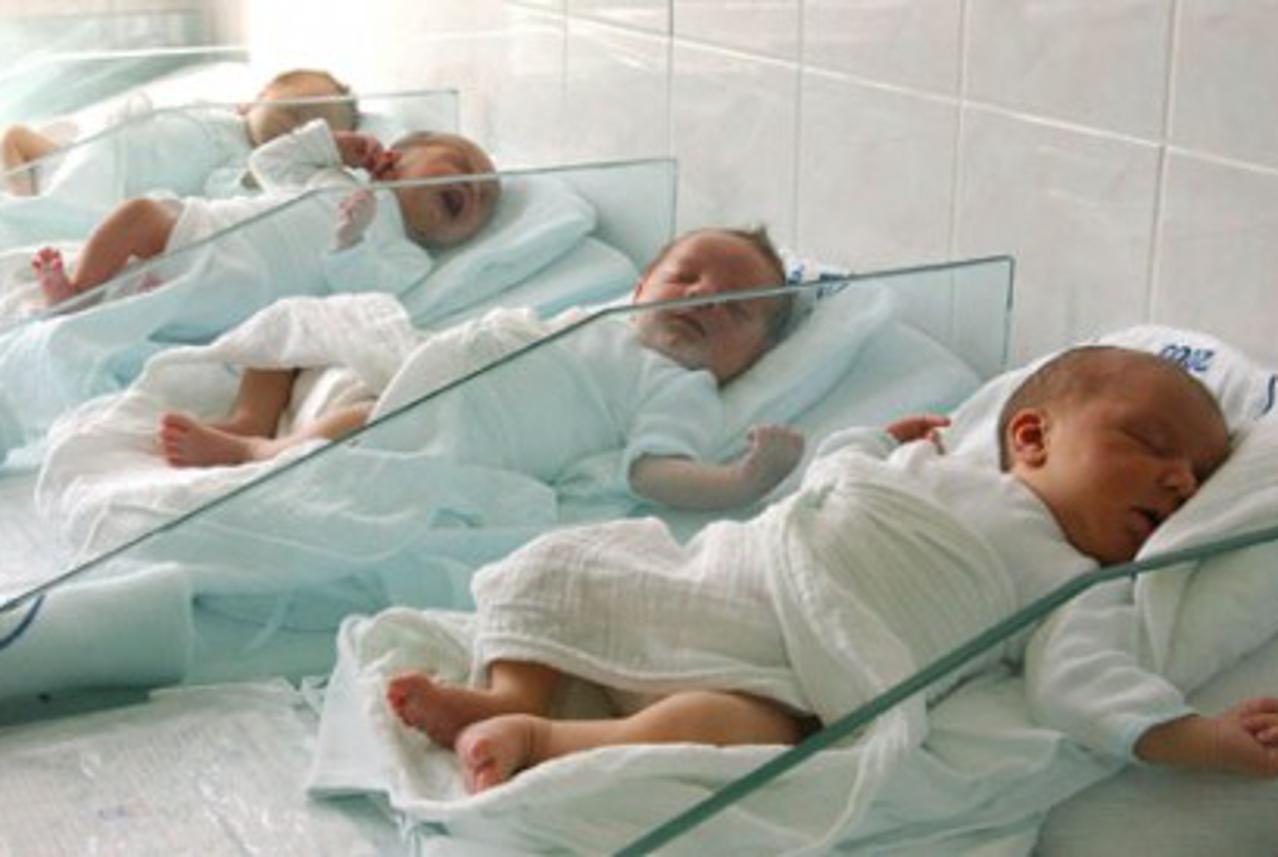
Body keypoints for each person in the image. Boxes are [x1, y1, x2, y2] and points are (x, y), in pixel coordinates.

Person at [382, 345, 1278, 793]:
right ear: (1032, 437)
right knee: (567, 560)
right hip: (734, 579)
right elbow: (832, 479)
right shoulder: (938, 467)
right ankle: (509, 691)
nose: (1178, 479)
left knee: (742, 732)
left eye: (1197, 478)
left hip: (803, 667)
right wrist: (872, 440)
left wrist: (1196, 738)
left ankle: (545, 741)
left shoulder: (1075, 582)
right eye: (1152, 444)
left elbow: (1083, 683)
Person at [156, 227, 805, 512]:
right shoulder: (611, 317)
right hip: (437, 370)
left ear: (751, 359)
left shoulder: (679, 386)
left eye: (736, 307)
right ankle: (256, 420)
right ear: (640, 287)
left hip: (477, 431)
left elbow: (653, 470)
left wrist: (739, 482)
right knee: (310, 327)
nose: (703, 298)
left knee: (363, 432)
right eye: (685, 277)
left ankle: (261, 453)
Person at [30, 116, 498, 304]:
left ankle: (119, 300)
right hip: (214, 230)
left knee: (170, 301)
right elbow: (267, 163)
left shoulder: (411, 257)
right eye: (462, 166)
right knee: (138, 215)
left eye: (484, 202)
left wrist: (352, 243)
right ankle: (80, 291)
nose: (475, 188)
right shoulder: (333, 179)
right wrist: (332, 146)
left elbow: (370, 288)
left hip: (249, 287)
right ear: (394, 161)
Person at [1, 68, 357, 196]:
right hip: (108, 145)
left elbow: (220, 195)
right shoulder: (217, 111)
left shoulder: (251, 167)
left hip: (117, 183)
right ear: (257, 98)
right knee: (15, 140)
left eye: (310, 131)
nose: (296, 126)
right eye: (293, 110)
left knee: (35, 164)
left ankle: (27, 205)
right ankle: (24, 197)